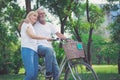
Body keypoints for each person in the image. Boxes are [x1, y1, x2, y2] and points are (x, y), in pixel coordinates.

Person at [34, 8, 68, 80]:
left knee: (57, 72)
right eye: (40, 13)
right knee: (49, 50)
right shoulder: (35, 24)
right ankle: (48, 73)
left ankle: (48, 71)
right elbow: (29, 19)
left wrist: (67, 39)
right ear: (37, 15)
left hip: (50, 50)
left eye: (43, 13)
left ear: (45, 14)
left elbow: (58, 33)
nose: (42, 14)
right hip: (39, 47)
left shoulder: (49, 25)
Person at [19, 11, 52, 80]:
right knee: (30, 74)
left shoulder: (31, 26)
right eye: (34, 16)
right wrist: (46, 38)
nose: (36, 17)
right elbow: (32, 36)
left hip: (34, 51)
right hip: (27, 49)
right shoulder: (26, 23)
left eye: (36, 16)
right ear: (29, 16)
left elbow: (34, 37)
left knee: (34, 75)